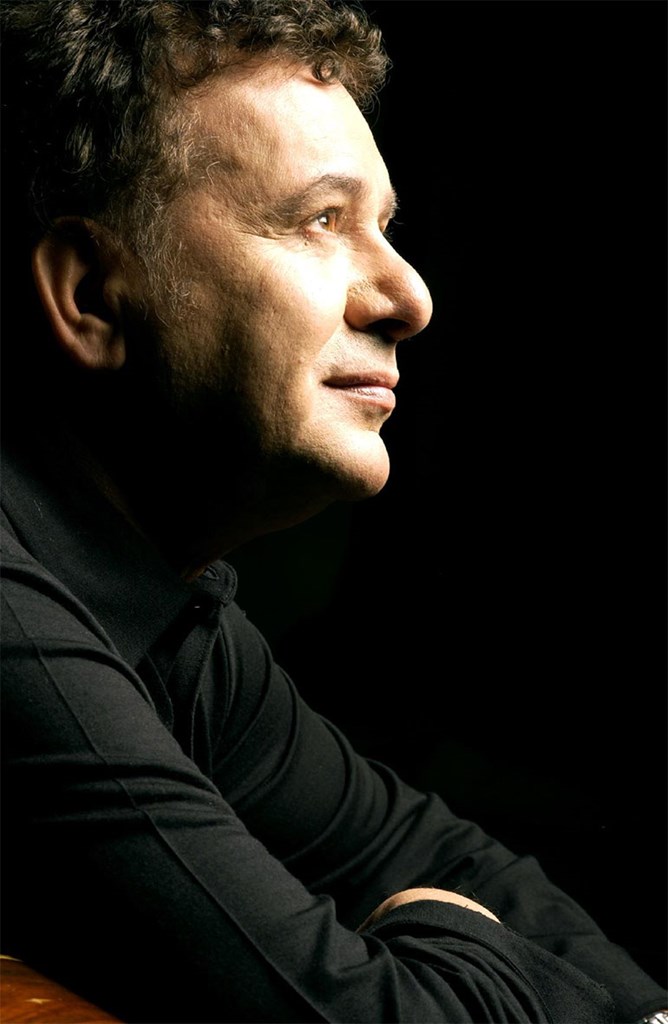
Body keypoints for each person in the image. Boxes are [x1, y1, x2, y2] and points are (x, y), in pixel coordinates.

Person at [0, 1, 665, 1021]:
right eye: (320, 220)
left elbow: (423, 852)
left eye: (383, 229)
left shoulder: (162, 611)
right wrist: (453, 935)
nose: (409, 296)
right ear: (90, 294)